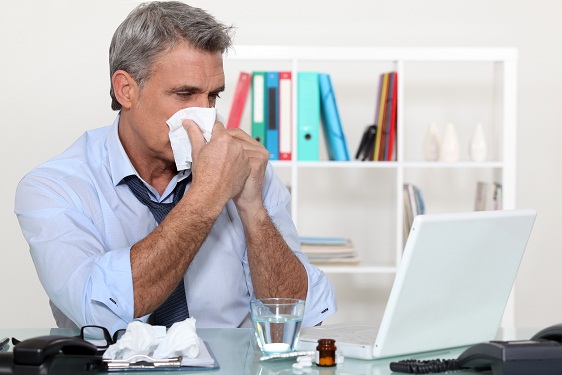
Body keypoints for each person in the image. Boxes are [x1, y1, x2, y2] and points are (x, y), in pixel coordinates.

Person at [14, 1, 336, 335]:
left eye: (213, 97)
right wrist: (208, 195)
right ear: (126, 89)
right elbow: (98, 312)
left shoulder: (244, 168)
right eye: (184, 94)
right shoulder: (53, 187)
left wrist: (252, 207)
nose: (205, 116)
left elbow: (303, 314)